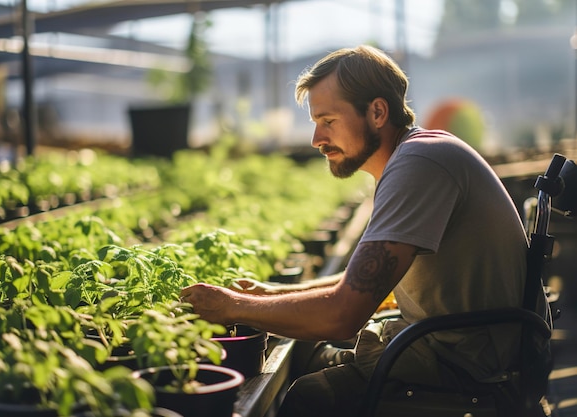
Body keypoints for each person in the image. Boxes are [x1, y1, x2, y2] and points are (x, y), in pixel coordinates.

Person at [180, 45, 547, 416]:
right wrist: (271, 293)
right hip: (457, 345)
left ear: (376, 112)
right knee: (307, 355)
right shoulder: (414, 156)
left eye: (328, 120)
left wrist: (233, 307)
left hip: (472, 366)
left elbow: (343, 315)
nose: (316, 139)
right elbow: (362, 280)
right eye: (315, 123)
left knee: (309, 396)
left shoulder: (419, 164)